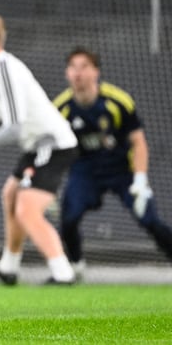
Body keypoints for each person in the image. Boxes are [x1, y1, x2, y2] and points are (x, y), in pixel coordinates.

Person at [0, 13, 79, 285]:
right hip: (37, 145)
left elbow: (16, 128)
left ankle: (63, 273)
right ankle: (9, 268)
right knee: (10, 194)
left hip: (52, 145)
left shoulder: (4, 68)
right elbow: (9, 119)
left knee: (26, 209)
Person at [53, 47, 172, 277]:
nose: (78, 73)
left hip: (121, 169)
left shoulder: (118, 101)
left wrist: (139, 181)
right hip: (84, 170)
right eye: (73, 68)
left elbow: (138, 142)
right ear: (67, 73)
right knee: (68, 220)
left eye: (84, 67)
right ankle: (75, 266)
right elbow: (52, 148)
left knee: (150, 220)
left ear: (96, 72)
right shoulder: (60, 109)